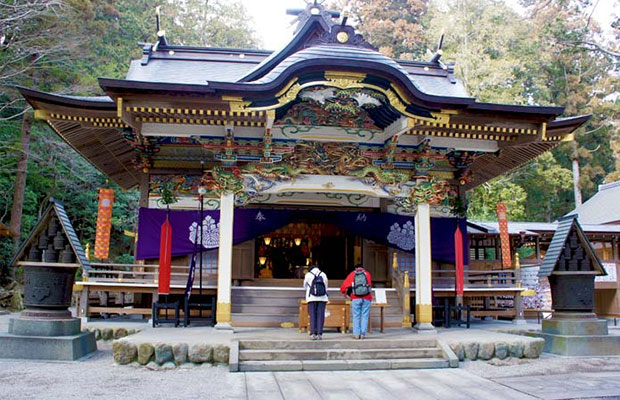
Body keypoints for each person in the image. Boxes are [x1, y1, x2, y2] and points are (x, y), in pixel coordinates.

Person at [340, 264, 372, 339]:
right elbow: (369, 285)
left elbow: (344, 287)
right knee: (365, 315)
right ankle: (363, 334)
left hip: (356, 297)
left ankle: (356, 334)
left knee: (356, 315)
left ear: (355, 268)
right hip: (367, 297)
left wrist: (344, 293)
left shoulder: (352, 274)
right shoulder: (367, 274)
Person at [303, 265, 328, 340]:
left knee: (312, 315)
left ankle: (313, 333)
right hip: (322, 298)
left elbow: (304, 286)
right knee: (321, 315)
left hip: (311, 298)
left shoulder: (308, 275)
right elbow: (326, 285)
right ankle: (320, 333)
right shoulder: (323, 274)